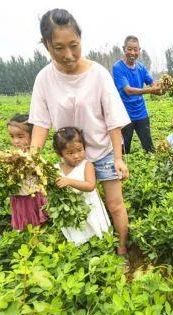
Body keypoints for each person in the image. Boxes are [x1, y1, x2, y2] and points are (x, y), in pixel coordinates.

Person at [28, 9, 130, 257]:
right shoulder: (44, 78)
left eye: (74, 45)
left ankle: (122, 250)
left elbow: (113, 121)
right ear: (46, 45)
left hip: (101, 152)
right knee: (78, 205)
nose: (68, 55)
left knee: (115, 205)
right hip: (69, 157)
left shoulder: (98, 74)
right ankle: (88, 252)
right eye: (59, 48)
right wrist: (31, 159)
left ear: (81, 39)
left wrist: (118, 157)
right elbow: (41, 124)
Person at [53, 127, 111, 245]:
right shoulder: (56, 168)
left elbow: (90, 185)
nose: (76, 156)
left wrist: (69, 181)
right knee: (79, 233)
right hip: (72, 209)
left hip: (90, 206)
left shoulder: (86, 165)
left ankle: (103, 248)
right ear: (60, 153)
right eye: (70, 153)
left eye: (79, 150)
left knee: (97, 230)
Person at [112, 35, 162, 154]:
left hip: (141, 113)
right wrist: (150, 91)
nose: (132, 52)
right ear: (124, 49)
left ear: (139, 50)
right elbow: (128, 90)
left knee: (149, 147)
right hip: (124, 115)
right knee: (125, 149)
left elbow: (152, 83)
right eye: (129, 49)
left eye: (136, 49)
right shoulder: (118, 67)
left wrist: (160, 88)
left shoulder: (141, 67)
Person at [6, 114, 48, 231]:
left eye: (20, 137)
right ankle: (27, 237)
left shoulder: (33, 155)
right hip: (18, 195)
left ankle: (38, 238)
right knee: (24, 221)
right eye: (12, 136)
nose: (15, 141)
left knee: (36, 220)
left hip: (32, 194)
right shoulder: (12, 154)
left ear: (32, 136)